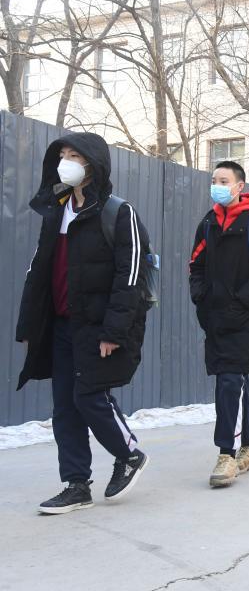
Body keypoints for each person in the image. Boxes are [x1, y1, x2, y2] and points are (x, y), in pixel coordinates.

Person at [17, 133, 152, 514]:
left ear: (92, 162)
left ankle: (129, 454)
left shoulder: (117, 212)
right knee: (64, 406)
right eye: (62, 155)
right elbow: (39, 271)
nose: (66, 162)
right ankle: (76, 484)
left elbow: (131, 276)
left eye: (74, 155)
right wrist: (31, 325)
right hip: (61, 323)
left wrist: (114, 330)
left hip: (97, 325)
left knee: (89, 396)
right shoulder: (58, 209)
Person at [189, 161, 249, 487]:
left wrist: (241, 300)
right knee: (233, 378)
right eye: (214, 179)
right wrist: (201, 297)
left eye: (223, 180)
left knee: (229, 378)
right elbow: (195, 265)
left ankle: (226, 454)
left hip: (246, 317)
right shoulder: (208, 223)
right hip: (215, 316)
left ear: (239, 186)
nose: (216, 184)